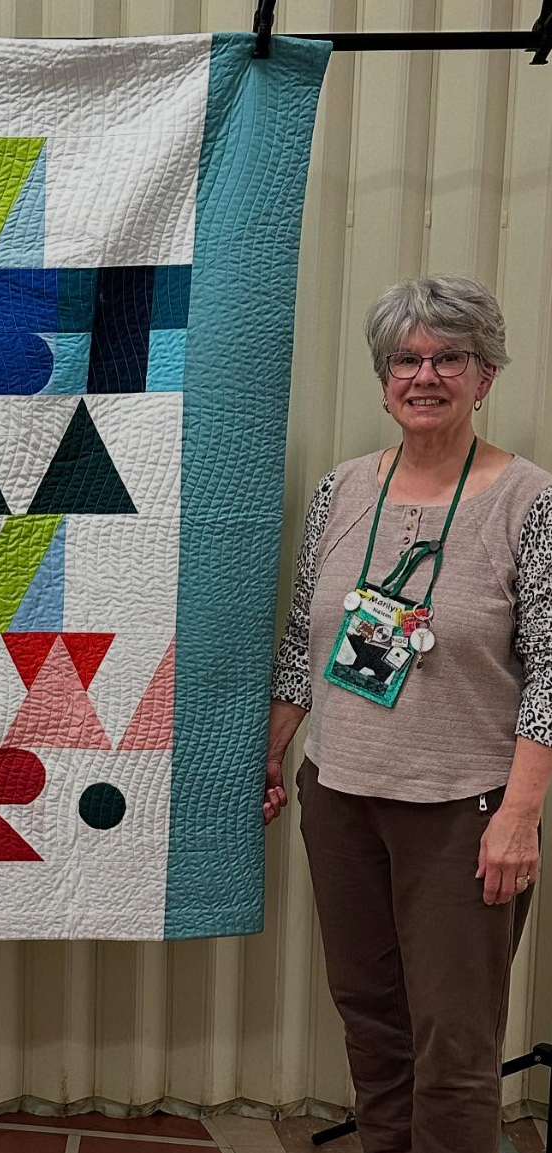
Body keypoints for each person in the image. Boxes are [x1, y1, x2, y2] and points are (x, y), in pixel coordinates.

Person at [265, 274, 552, 1153]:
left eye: (448, 357)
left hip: (462, 812)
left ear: (485, 373)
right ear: (383, 376)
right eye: (404, 359)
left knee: (453, 1048)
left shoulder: (528, 500)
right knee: (371, 1024)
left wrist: (518, 814)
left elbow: (550, 670)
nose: (423, 375)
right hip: (341, 797)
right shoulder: (342, 488)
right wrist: (273, 755)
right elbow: (299, 640)